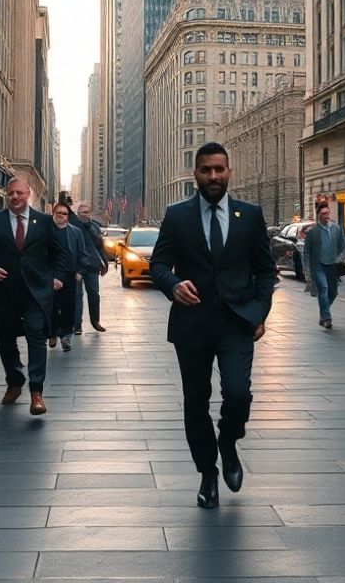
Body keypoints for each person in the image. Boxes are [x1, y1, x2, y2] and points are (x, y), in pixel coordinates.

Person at [149, 142, 276, 509]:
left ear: (229, 172)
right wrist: (173, 285)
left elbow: (266, 270)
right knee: (195, 402)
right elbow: (158, 265)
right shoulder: (177, 215)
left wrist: (259, 312)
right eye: (206, 170)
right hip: (192, 324)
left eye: (219, 169)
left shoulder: (250, 215)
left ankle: (229, 442)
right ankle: (208, 473)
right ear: (196, 174)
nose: (213, 176)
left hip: (237, 322)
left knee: (237, 394)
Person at [0, 177, 69, 415]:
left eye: (20, 193)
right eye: (11, 193)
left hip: (36, 292)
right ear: (7, 195)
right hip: (4, 291)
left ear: (29, 195)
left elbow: (60, 254)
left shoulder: (45, 222)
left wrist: (56, 277)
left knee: (36, 336)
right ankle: (15, 380)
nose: (15, 197)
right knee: (5, 339)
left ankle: (37, 391)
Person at [52, 201, 98, 352]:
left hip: (70, 274)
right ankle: (52, 333)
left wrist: (79, 272)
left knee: (69, 306)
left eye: (64, 213)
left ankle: (66, 335)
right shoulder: (47, 231)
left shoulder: (75, 232)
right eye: (58, 213)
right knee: (51, 305)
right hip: (51, 276)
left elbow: (84, 253)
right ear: (54, 214)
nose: (61, 216)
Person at [302, 203, 345, 329]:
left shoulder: (336, 229)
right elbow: (306, 252)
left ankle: (323, 315)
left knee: (333, 292)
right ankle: (327, 318)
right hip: (318, 265)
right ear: (318, 216)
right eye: (323, 214)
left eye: (327, 213)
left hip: (332, 265)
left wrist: (339, 259)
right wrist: (306, 269)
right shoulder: (312, 233)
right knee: (323, 288)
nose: (326, 216)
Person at [73, 202, 111, 333]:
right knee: (77, 295)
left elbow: (99, 245)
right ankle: (77, 324)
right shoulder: (72, 226)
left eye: (87, 212)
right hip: (77, 266)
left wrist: (105, 263)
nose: (85, 215)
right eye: (82, 212)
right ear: (78, 214)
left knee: (94, 294)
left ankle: (96, 321)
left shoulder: (94, 227)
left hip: (92, 265)